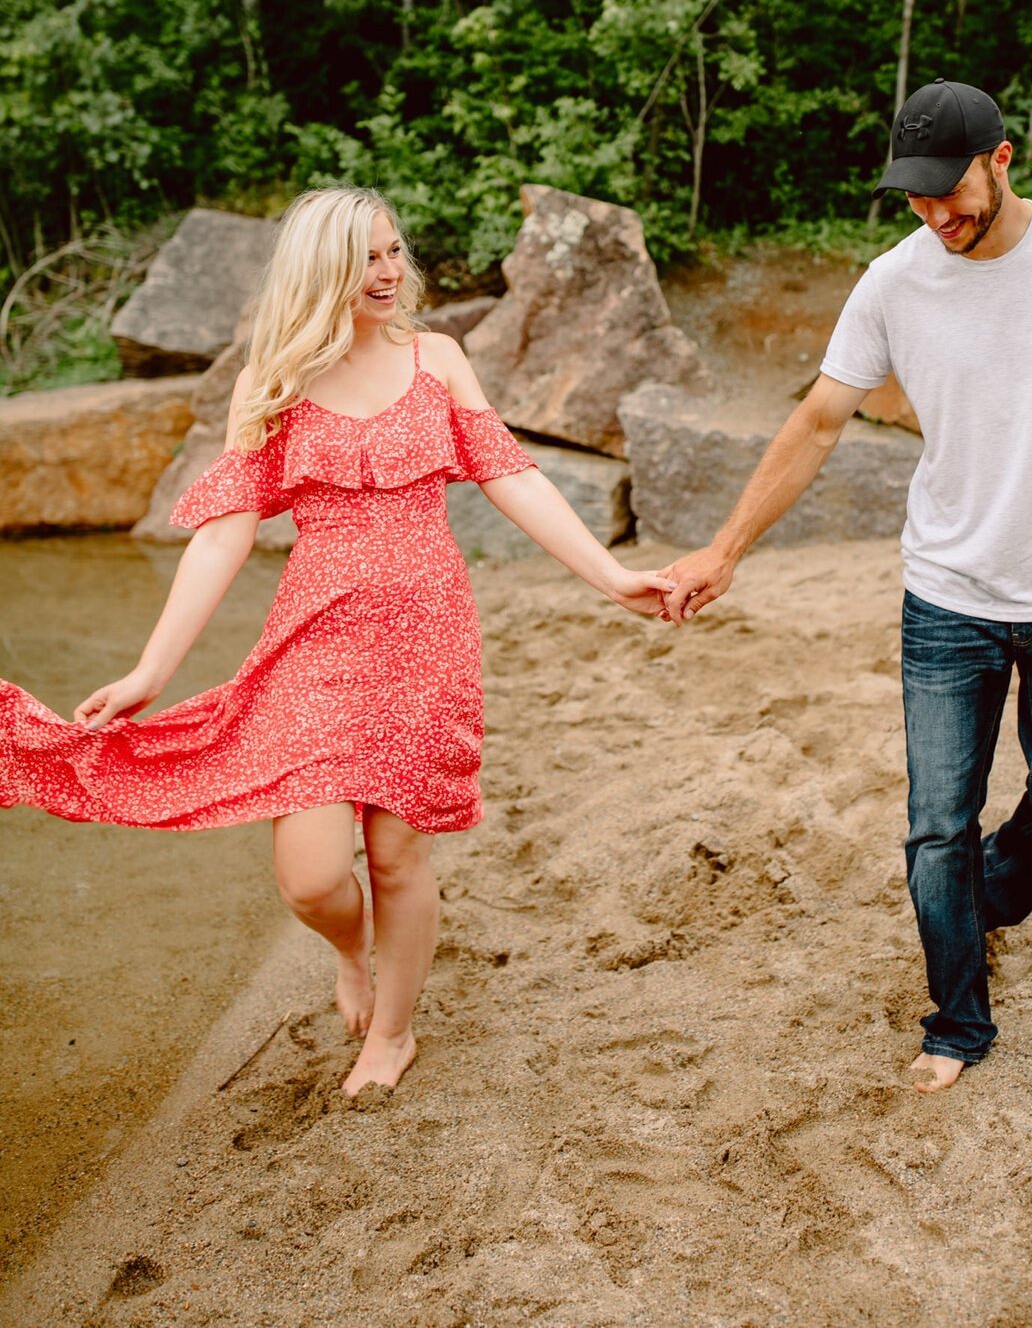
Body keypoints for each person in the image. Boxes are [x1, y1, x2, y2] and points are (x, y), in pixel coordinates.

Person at [0, 189, 675, 1098]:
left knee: (398, 855)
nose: (391, 272)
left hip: (426, 632)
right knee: (312, 877)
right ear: (321, 273)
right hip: (315, 638)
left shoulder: (437, 359)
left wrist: (612, 576)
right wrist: (151, 667)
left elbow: (511, 477)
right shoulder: (271, 380)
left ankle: (391, 1034)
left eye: (395, 251)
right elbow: (223, 533)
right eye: (368, 259)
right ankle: (351, 951)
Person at [655, 79, 1032, 1094]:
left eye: (953, 192)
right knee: (937, 819)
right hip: (946, 596)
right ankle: (956, 1019)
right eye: (917, 198)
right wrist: (723, 549)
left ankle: (968, 900)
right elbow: (816, 423)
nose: (938, 215)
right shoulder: (894, 283)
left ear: (1004, 157)